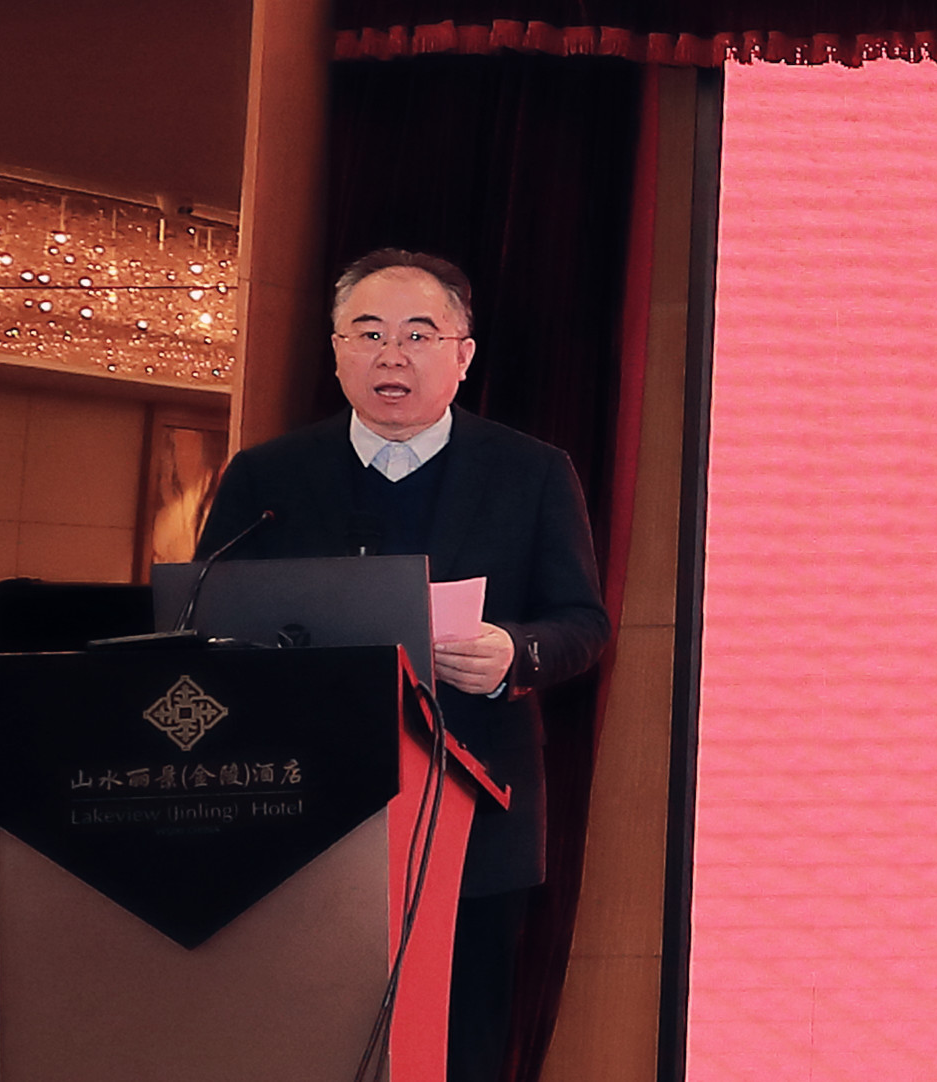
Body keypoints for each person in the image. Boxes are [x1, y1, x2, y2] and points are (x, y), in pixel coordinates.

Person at [195, 248, 610, 1082]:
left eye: (419, 335)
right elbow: (202, 622)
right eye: (369, 333)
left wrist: (511, 654)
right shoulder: (267, 478)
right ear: (336, 351)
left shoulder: (531, 472)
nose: (392, 355)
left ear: (463, 355)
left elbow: (582, 624)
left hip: (472, 815)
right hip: (299, 811)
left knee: (459, 1047)